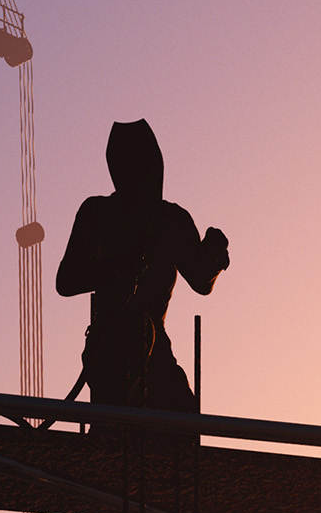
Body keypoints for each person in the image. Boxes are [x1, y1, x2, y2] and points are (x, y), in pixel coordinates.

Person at [56, 120, 229, 418]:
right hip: (109, 340)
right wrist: (116, 269)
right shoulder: (98, 213)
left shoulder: (172, 220)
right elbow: (67, 281)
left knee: (182, 419)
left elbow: (201, 281)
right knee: (116, 425)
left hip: (156, 343)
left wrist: (214, 257)